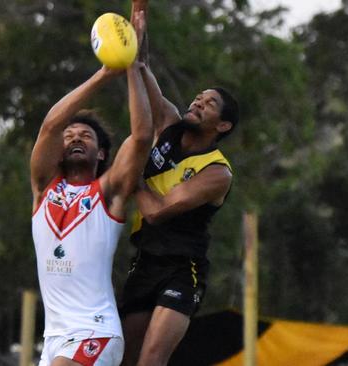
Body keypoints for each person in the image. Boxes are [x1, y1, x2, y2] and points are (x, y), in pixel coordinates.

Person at [30, 15, 152, 366]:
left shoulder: (108, 191)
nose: (74, 138)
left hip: (94, 331)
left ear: (101, 153)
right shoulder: (43, 188)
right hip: (53, 338)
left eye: (85, 136)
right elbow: (51, 124)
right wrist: (103, 73)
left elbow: (142, 136)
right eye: (69, 137)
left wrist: (130, 65)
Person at [119, 12, 239, 366]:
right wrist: (137, 23)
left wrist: (131, 179)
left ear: (223, 124)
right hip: (144, 262)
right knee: (123, 358)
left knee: (152, 359)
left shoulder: (217, 171)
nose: (198, 102)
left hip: (181, 269)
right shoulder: (169, 122)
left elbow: (156, 212)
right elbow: (140, 67)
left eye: (209, 103)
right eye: (198, 98)